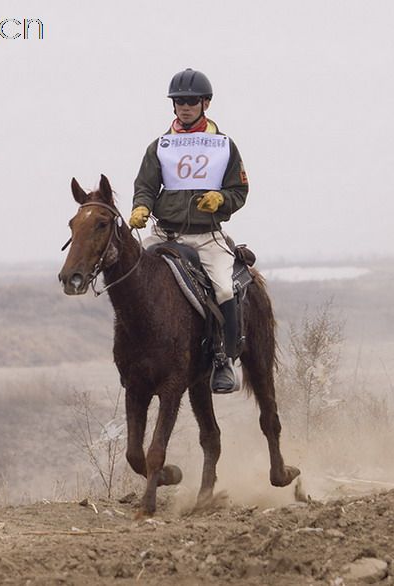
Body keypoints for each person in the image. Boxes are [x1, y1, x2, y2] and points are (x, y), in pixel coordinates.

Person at [130, 68, 249, 394]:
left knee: (224, 289)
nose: (184, 106)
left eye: (191, 101)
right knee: (132, 278)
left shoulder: (224, 145)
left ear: (205, 103)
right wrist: (140, 206)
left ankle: (224, 360)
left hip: (206, 235)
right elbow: (145, 186)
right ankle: (131, 350)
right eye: (179, 101)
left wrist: (221, 199)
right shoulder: (160, 146)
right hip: (165, 233)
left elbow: (239, 190)